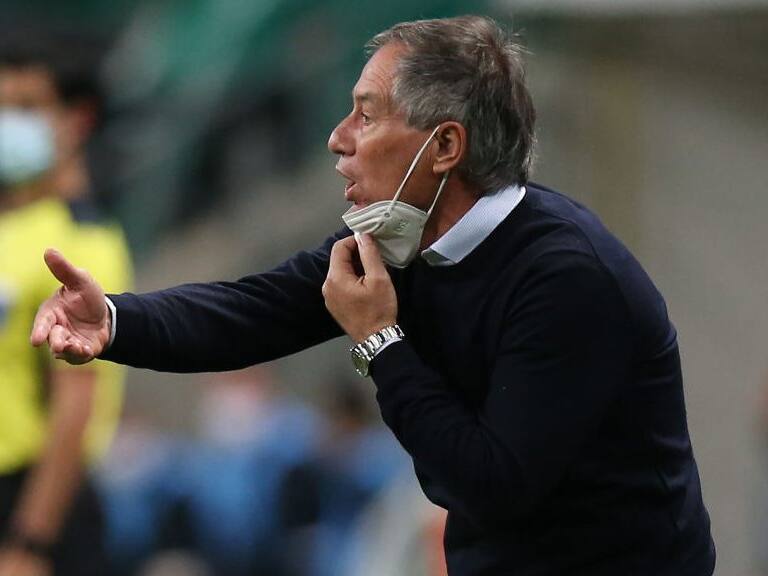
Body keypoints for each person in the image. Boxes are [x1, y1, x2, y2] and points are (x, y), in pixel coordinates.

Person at [30, 15, 715, 576]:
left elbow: (489, 483)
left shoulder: (567, 277)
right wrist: (115, 319)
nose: (337, 140)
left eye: (366, 115)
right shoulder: (397, 241)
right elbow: (249, 313)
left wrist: (381, 342)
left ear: (444, 146)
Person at [0, 31, 132, 575]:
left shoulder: (81, 241)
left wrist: (29, 544)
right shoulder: (9, 228)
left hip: (33, 504)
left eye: (26, 107)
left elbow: (74, 406)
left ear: (76, 119)